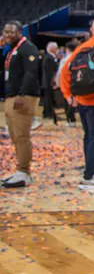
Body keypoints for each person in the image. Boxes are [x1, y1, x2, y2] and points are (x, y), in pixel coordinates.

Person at [60, 17, 94, 192]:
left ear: (92, 30)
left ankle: (91, 170)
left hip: (82, 101)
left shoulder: (82, 47)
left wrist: (68, 95)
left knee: (89, 137)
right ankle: (89, 177)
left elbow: (64, 72)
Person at [2, 21, 41, 188]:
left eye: (12, 32)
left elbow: (31, 72)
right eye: (5, 32)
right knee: (14, 135)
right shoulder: (11, 49)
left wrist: (23, 93)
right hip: (11, 96)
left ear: (20, 31)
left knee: (21, 135)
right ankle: (20, 170)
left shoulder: (27, 48)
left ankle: (24, 172)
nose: (8, 35)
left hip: (23, 97)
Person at [41, 42, 60, 124]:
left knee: (48, 98)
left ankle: (48, 112)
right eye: (56, 48)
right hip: (48, 82)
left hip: (47, 81)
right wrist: (52, 82)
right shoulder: (49, 58)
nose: (57, 50)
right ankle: (48, 113)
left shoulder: (49, 57)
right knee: (48, 98)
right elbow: (50, 72)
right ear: (52, 49)